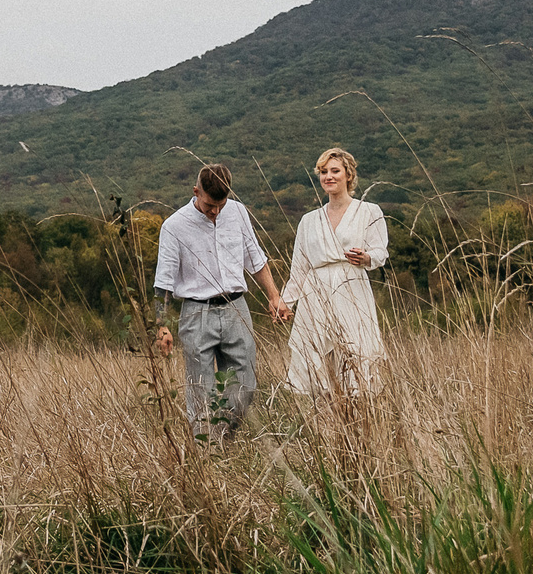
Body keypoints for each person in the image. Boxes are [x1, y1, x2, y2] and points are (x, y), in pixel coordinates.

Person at [151, 163, 289, 442]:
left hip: (237, 308)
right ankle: (207, 450)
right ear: (195, 192)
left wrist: (274, 296)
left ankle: (223, 436)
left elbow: (256, 258)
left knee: (245, 385)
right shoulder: (174, 226)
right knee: (201, 388)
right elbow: (163, 281)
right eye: (209, 204)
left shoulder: (237, 212)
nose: (215, 211)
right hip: (196, 312)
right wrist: (161, 325)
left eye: (220, 204)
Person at [279, 146, 390, 396]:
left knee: (355, 351)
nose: (328, 176)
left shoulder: (369, 211)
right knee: (316, 357)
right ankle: (324, 420)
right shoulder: (309, 220)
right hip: (315, 293)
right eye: (323, 172)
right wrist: (286, 302)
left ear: (348, 175)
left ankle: (358, 412)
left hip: (351, 287)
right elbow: (300, 267)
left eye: (335, 171)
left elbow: (380, 252)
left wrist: (366, 258)